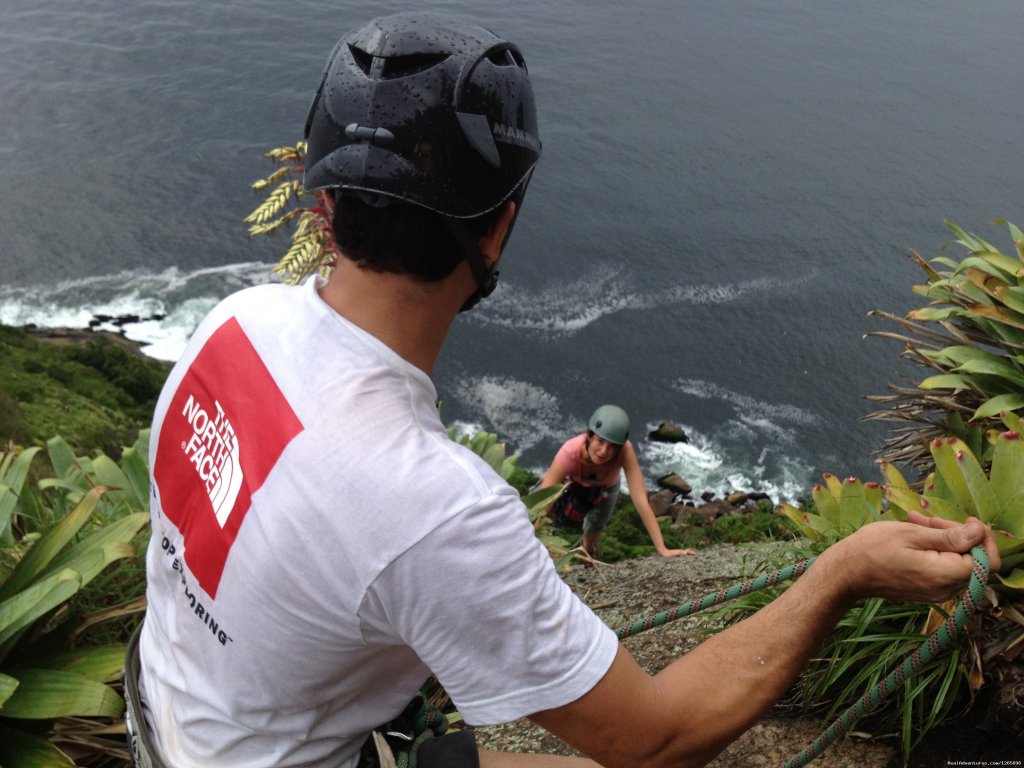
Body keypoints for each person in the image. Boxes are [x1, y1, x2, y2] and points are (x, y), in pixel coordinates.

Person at [127, 11, 1001, 768]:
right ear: (498, 228)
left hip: (162, 722)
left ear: (321, 205)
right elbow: (655, 742)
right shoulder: (430, 506)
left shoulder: (233, 322)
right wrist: (838, 574)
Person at [540, 404, 696, 558]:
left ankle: (587, 552)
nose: (604, 451)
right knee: (546, 511)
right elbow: (543, 499)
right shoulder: (570, 452)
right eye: (600, 441)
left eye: (612, 446)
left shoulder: (625, 452)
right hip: (571, 484)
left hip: (605, 488)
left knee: (597, 525)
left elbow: (641, 500)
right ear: (589, 436)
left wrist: (663, 549)